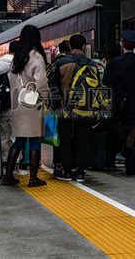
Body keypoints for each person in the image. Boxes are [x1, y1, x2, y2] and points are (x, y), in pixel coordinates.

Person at [2, 25, 48, 187]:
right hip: (32, 102)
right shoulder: (35, 56)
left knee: (20, 139)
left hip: (17, 103)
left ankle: (8, 175)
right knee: (34, 139)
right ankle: (33, 178)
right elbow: (41, 82)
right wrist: (45, 97)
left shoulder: (18, 57)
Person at [52, 34, 98, 182]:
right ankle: (81, 172)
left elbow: (55, 89)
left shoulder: (62, 63)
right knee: (83, 140)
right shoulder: (92, 65)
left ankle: (66, 171)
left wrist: (54, 108)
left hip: (66, 108)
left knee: (66, 140)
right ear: (84, 46)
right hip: (86, 108)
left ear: (70, 46)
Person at [103, 30, 135, 176]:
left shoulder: (114, 63)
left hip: (117, 105)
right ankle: (130, 168)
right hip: (134, 105)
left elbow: (107, 83)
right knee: (131, 136)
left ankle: (110, 163)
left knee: (113, 134)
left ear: (122, 44)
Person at [0, 41, 17, 169]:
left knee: (3, 135)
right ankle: (14, 165)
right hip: (13, 105)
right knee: (15, 136)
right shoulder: (16, 64)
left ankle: (3, 162)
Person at [48, 40, 70, 177]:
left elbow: (51, 86)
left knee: (57, 136)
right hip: (72, 105)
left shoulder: (54, 64)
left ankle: (57, 164)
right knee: (68, 137)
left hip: (57, 105)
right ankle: (69, 164)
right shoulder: (73, 62)